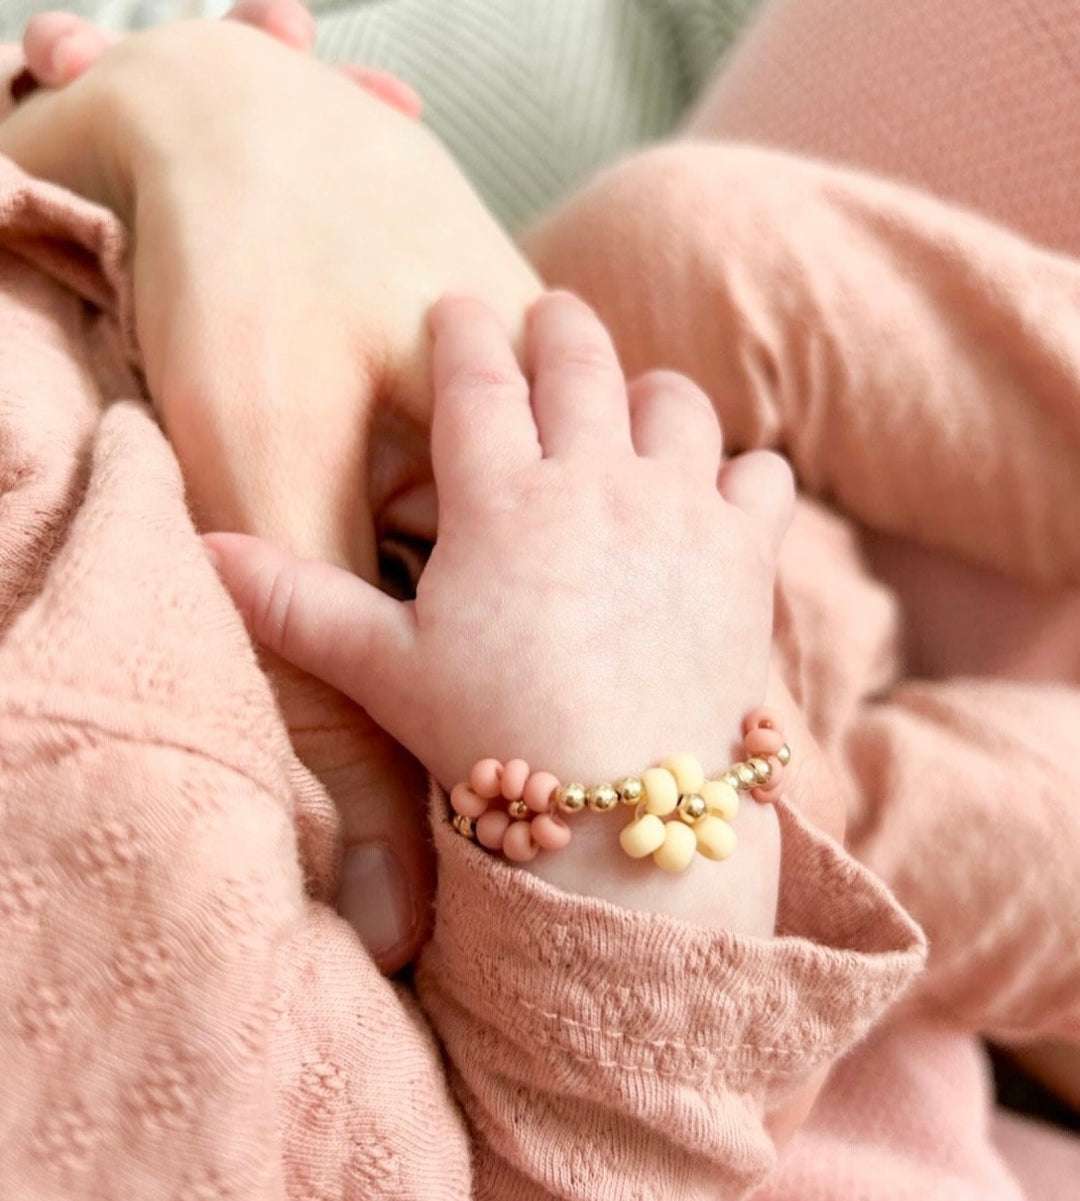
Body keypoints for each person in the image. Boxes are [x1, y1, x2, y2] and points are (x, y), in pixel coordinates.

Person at [0, 4, 1077, 1197]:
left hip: (526, 481)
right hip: (647, 910)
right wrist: (633, 794)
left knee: (683, 238)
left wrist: (103, 127)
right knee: (938, 827)